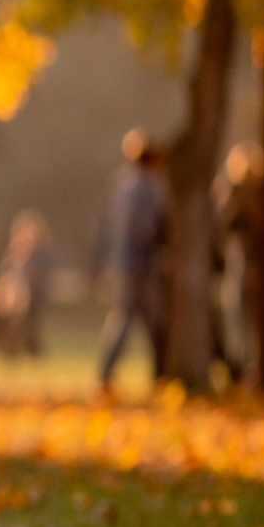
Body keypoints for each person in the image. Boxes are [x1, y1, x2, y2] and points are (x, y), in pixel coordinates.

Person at [94, 130, 166, 395]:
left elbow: (105, 226)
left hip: (119, 262)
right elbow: (146, 227)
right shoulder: (146, 188)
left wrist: (101, 260)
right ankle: (159, 374)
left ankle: (109, 374)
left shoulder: (120, 185)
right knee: (145, 320)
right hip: (140, 263)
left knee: (127, 318)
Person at [214, 143, 264, 382]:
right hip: (240, 264)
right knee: (239, 319)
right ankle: (245, 366)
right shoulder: (249, 194)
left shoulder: (248, 196)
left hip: (244, 265)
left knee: (242, 319)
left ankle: (248, 366)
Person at [0, 210, 52, 359]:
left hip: (32, 296)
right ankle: (7, 346)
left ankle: (23, 347)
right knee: (4, 311)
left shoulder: (41, 255)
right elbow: (4, 276)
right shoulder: (12, 253)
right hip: (10, 297)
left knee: (21, 313)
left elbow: (41, 279)